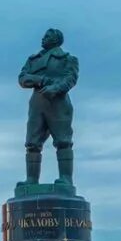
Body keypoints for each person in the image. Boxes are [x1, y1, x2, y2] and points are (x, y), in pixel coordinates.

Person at [18, 28, 78, 187]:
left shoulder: (67, 59)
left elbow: (70, 79)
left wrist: (55, 89)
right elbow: (23, 78)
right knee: (32, 143)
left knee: (63, 141)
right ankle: (31, 180)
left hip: (58, 103)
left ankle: (66, 179)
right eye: (44, 35)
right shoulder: (33, 60)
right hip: (37, 104)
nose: (43, 38)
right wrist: (41, 80)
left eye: (47, 36)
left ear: (57, 39)